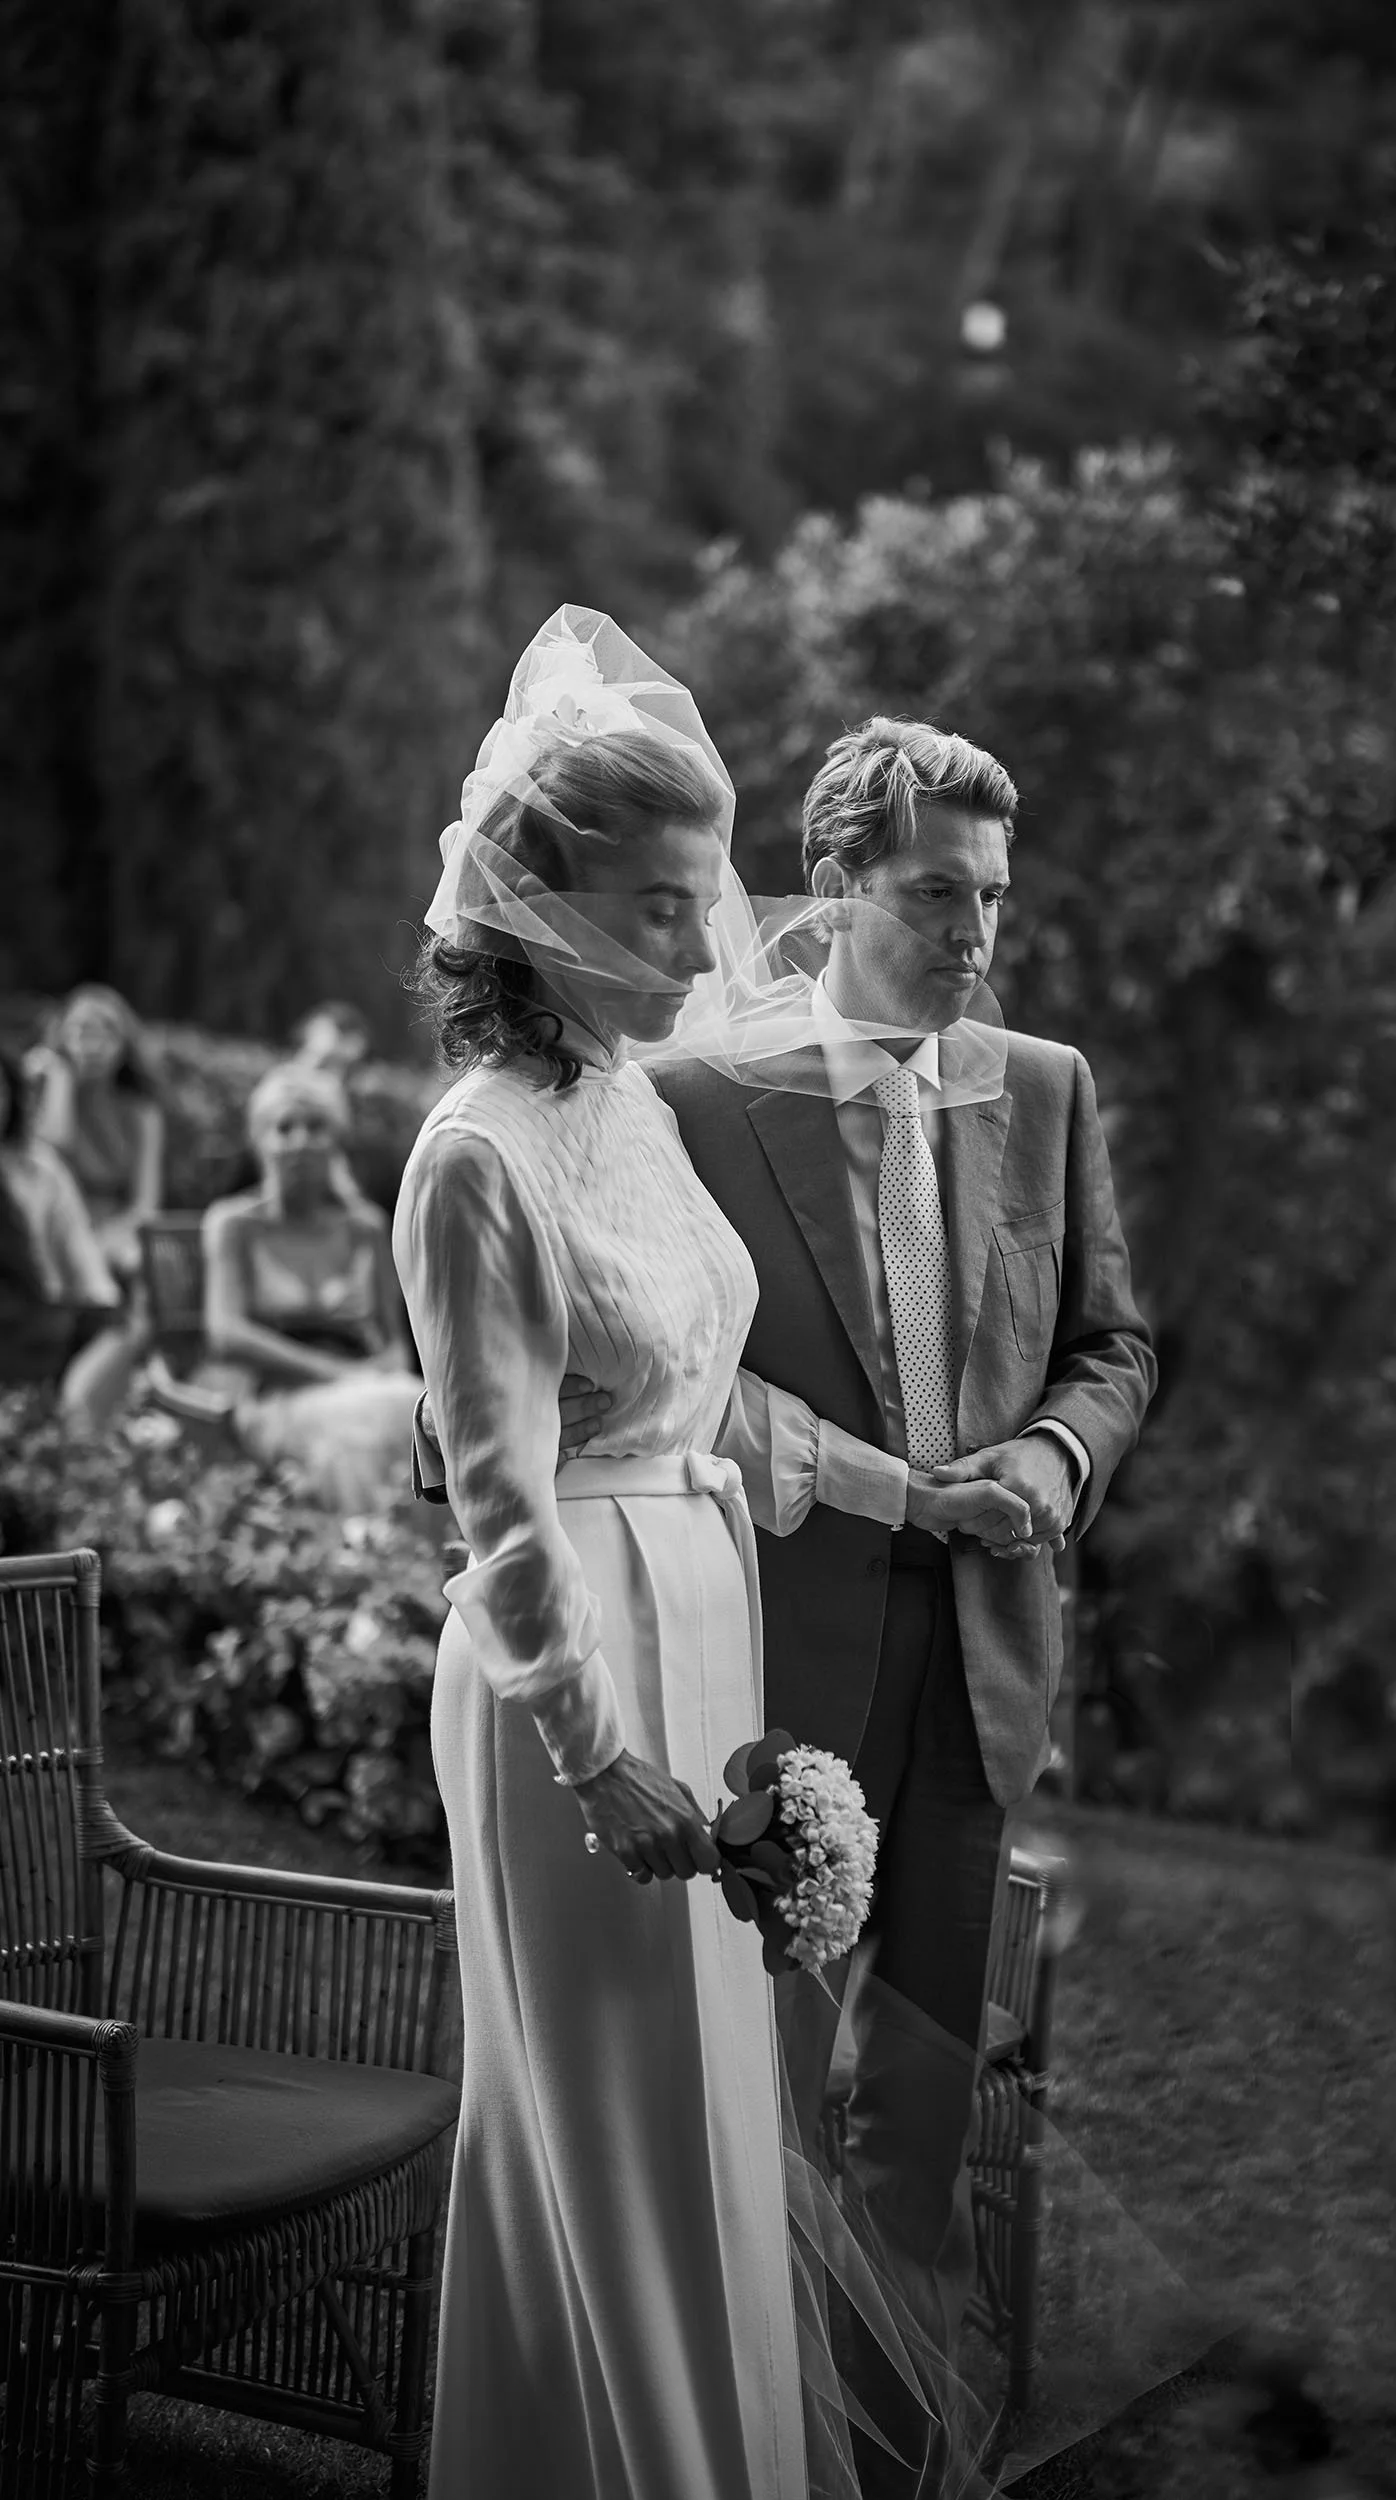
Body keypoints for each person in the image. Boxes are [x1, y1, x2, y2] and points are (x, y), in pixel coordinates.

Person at [393, 613, 1015, 2500]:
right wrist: (594, 1753)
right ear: (538, 899)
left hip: (703, 1602)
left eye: (706, 898)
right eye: (660, 910)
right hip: (570, 1667)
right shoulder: (478, 1158)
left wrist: (918, 1491)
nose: (706, 943)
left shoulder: (627, 1110)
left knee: (710, 2114)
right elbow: (492, 1504)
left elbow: (705, 1388)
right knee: (605, 2121)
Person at [643, 719, 1157, 2494]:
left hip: (987, 1662)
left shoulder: (1048, 1083)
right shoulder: (705, 1102)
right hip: (783, 1659)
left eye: (994, 898)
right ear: (842, 883)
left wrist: (1057, 1462)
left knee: (920, 2105)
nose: (976, 935)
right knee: (765, 2089)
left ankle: (883, 2444)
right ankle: (753, 2439)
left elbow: (1110, 1345)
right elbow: (674, 1370)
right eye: (939, 895)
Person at [165, 1062, 422, 1511]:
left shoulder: (366, 1227)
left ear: (337, 1139)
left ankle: (419, 1559)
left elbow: (398, 1346)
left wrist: (369, 1376)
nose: (300, 1141)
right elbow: (226, 1335)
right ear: (260, 1140)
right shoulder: (234, 1224)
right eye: (284, 1128)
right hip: (269, 1396)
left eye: (316, 1127)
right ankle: (365, 1558)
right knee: (360, 1427)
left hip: (365, 1388)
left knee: (422, 1408)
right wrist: (338, 1375)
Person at [0, 1045, 124, 1409]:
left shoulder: (42, 1169)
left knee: (115, 1329)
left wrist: (105, 1311)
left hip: (45, 1314)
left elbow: (78, 1247)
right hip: (16, 1322)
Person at [30, 985, 165, 1280]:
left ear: (125, 1044)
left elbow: (145, 1206)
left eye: (108, 1032)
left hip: (114, 1232)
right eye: (80, 1030)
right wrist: (61, 1082)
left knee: (133, 1263)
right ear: (61, 1037)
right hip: (51, 1229)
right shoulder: (45, 1091)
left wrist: (100, 1241)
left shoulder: (140, 1112)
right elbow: (51, 1155)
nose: (93, 1045)